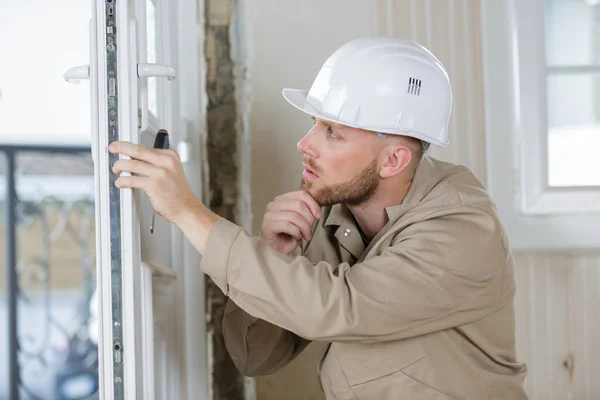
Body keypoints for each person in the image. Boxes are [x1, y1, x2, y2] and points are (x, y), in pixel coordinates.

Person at [109, 37, 528, 399]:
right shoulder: (334, 213)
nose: (304, 143)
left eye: (333, 132)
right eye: (314, 123)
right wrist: (277, 254)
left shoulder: (464, 229)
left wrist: (187, 211)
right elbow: (256, 354)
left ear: (394, 159)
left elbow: (338, 306)